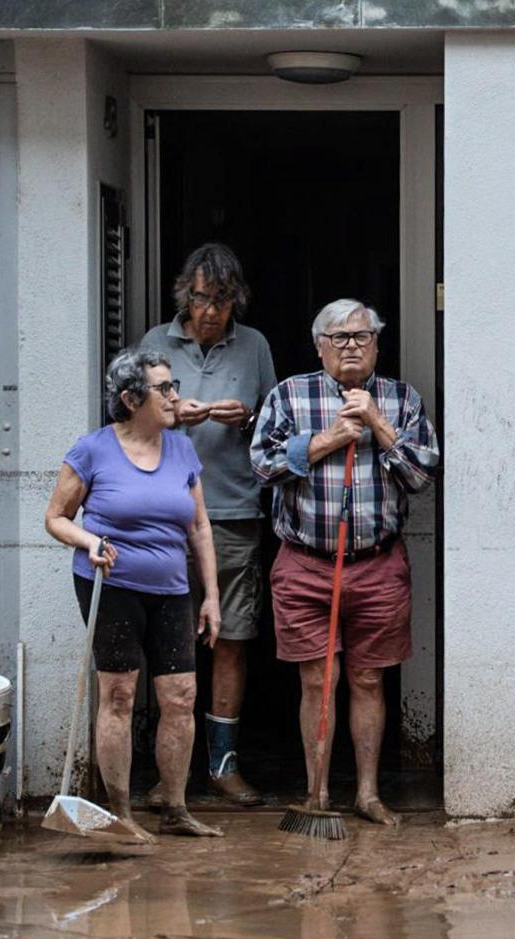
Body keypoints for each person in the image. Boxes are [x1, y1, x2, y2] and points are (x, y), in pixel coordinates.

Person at [250, 298, 440, 826]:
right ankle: (316, 795)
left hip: (377, 564)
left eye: (362, 336)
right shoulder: (290, 394)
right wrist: (330, 438)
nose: (351, 345)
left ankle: (368, 794)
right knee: (318, 679)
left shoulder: (401, 400)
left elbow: (422, 475)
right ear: (319, 347)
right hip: (307, 562)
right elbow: (263, 464)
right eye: (339, 338)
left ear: (378, 344)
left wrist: (377, 422)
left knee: (369, 680)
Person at [45, 348, 225, 839]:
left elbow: (201, 528)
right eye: (163, 388)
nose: (175, 396)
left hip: (171, 588)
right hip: (111, 584)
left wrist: (210, 595)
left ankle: (175, 808)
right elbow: (56, 518)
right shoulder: (92, 450)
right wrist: (90, 541)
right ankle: (120, 814)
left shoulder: (182, 449)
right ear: (130, 398)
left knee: (181, 696)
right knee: (120, 694)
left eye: (174, 385)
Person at [137, 243, 277, 806]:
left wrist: (247, 418)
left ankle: (222, 766)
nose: (211, 311)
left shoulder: (256, 346)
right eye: (201, 298)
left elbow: (277, 425)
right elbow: (127, 417)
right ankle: (170, 772)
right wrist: (172, 412)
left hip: (234, 511)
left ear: (235, 300)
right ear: (184, 296)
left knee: (232, 639)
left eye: (221, 299)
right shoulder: (154, 343)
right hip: (163, 515)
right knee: (170, 641)